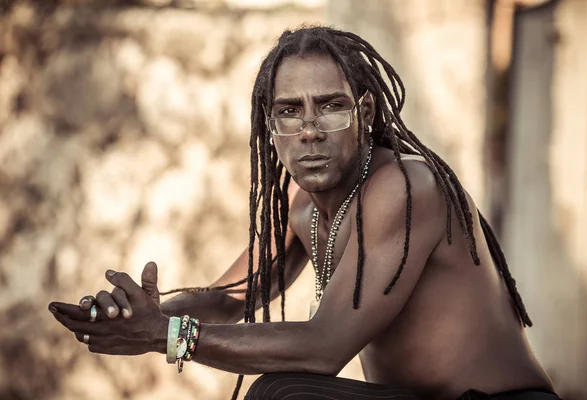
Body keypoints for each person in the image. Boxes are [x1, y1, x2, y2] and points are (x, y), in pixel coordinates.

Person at [49, 26, 561, 400]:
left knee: (287, 394)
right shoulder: (306, 210)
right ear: (270, 127)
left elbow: (324, 347)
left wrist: (164, 336)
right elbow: (229, 300)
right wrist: (141, 315)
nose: (310, 128)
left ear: (364, 113)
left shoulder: (406, 187)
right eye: (290, 111)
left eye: (330, 106)